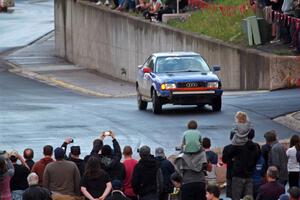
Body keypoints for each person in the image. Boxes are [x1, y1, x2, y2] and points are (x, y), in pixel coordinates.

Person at [227, 128, 261, 200]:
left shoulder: (239, 145)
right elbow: (257, 159)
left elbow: (229, 155)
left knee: (236, 197)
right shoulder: (256, 147)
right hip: (249, 175)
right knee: (249, 198)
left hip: (238, 175)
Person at [174, 134, 208, 200]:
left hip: (187, 182)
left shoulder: (182, 155)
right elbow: (207, 167)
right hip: (200, 182)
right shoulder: (202, 154)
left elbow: (178, 170)